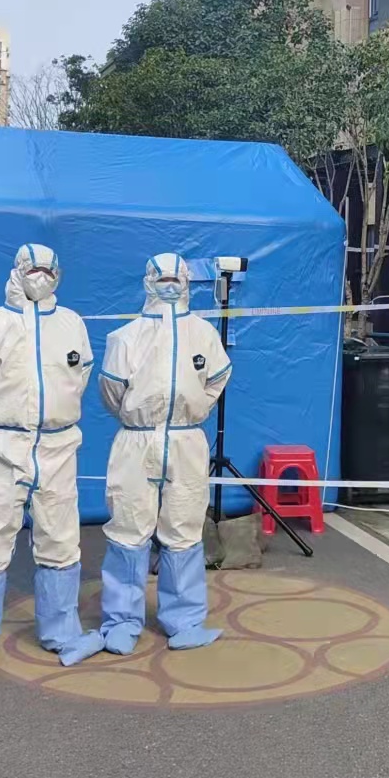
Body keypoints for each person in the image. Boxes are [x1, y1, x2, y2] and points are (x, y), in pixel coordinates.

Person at [0, 243, 103, 674]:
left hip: (58, 446)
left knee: (60, 539)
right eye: (33, 269)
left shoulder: (71, 324)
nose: (41, 276)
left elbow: (79, 377)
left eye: (49, 270)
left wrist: (52, 418)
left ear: (59, 276)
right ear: (17, 271)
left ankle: (62, 632)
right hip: (3, 446)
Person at [97, 253, 232, 654]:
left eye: (177, 279)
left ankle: (185, 619)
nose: (170, 286)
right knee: (128, 526)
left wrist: (195, 408)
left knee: (184, 526)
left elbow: (217, 379)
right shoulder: (126, 337)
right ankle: (121, 620)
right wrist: (138, 418)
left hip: (186, 442)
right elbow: (112, 393)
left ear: (187, 282)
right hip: (137, 442)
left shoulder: (204, 334)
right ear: (148, 282)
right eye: (163, 279)